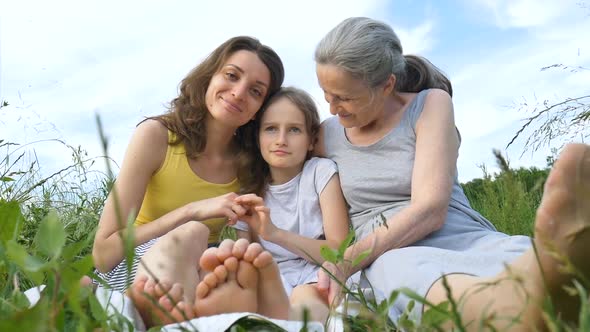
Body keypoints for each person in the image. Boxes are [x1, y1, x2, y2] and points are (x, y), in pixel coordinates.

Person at [312, 17, 590, 330]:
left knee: (510, 251)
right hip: (386, 252)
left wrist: (346, 261)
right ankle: (511, 310)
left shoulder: (429, 104)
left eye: (346, 97)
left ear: (387, 85)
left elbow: (431, 208)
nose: (333, 108)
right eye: (326, 94)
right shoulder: (328, 135)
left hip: (460, 233)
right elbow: (274, 162)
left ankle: (551, 276)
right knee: (405, 269)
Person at [91, 35, 284, 317]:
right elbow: (103, 253)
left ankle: (177, 314)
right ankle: (146, 306)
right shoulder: (156, 136)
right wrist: (192, 212)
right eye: (231, 76)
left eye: (255, 91)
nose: (239, 93)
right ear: (209, 76)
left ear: (259, 110)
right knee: (195, 231)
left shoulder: (252, 163)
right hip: (131, 265)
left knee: (238, 260)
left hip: (198, 269)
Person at [231, 86, 350, 322]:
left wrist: (275, 234)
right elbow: (245, 261)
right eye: (271, 129)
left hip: (316, 273)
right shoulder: (249, 193)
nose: (281, 140)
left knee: (304, 304)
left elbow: (339, 251)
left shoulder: (320, 172)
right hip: (271, 279)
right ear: (258, 137)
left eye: (294, 130)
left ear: (310, 140)